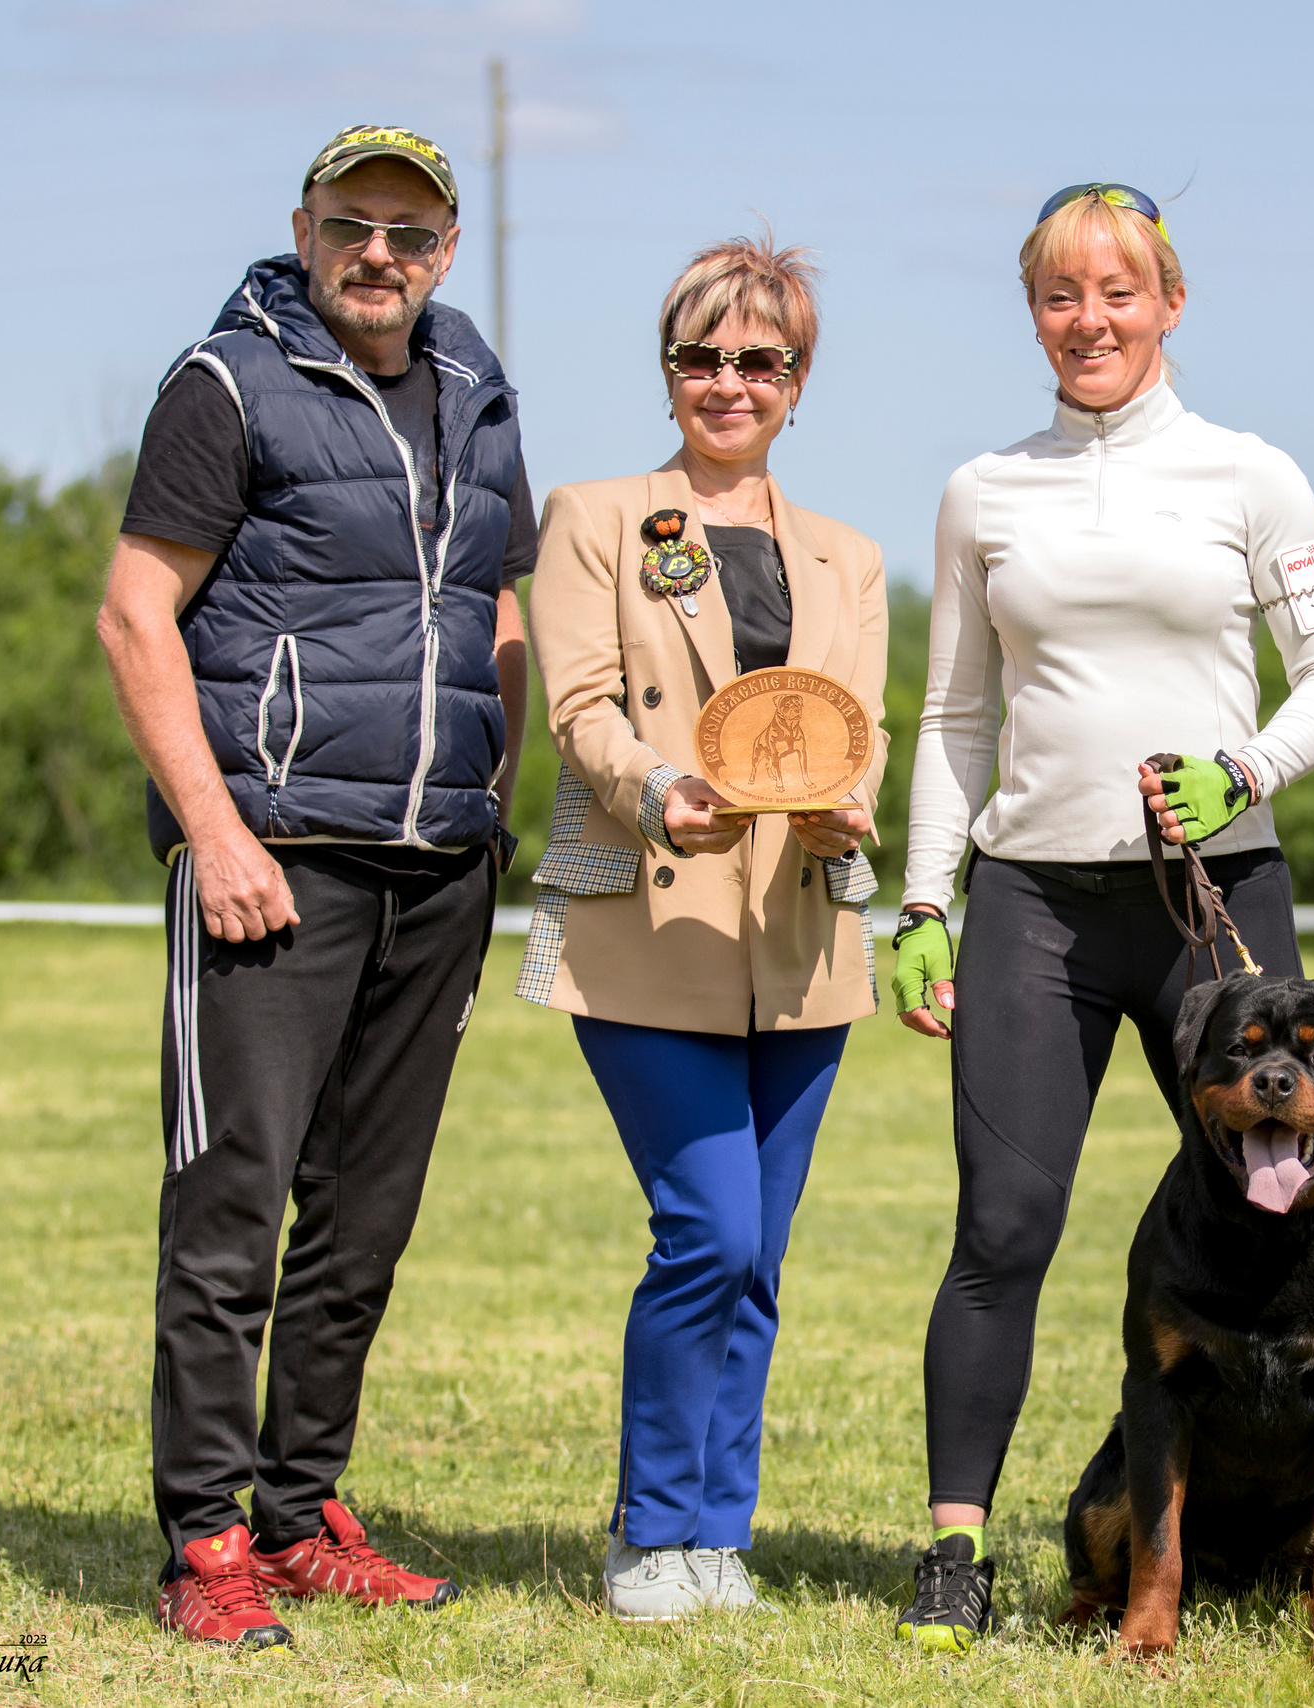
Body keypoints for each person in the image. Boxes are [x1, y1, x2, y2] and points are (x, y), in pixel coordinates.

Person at [889, 183, 1314, 1652]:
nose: (1091, 320)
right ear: (1035, 314)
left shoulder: (1252, 476)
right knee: (1003, 1228)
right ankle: (954, 1551)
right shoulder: (983, 489)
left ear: (1170, 303)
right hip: (1036, 907)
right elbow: (953, 715)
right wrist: (924, 897)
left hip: (1218, 894)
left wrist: (1236, 766)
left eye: (1119, 291)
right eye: (1062, 295)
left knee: (1287, 1198)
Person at [95, 124, 536, 1649]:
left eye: (410, 236)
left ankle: (302, 1513)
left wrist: (490, 802)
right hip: (272, 859)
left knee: (365, 1215)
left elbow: (498, 610)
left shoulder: (479, 390)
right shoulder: (224, 385)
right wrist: (215, 835)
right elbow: (136, 618)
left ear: (447, 250)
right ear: (303, 225)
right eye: (352, 226)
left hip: (441, 867)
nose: (379, 257)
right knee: (234, 1204)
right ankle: (205, 1539)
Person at [515, 236, 885, 1622]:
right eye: (701, 357)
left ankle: (716, 1538)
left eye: (758, 361)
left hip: (803, 946)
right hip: (643, 926)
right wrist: (648, 785)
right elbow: (583, 704)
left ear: (797, 382)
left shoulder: (847, 555)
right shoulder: (599, 517)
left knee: (762, 1258)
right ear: (668, 370)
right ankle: (647, 1527)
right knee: (710, 1233)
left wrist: (856, 802)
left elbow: (864, 727)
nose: (726, 384)